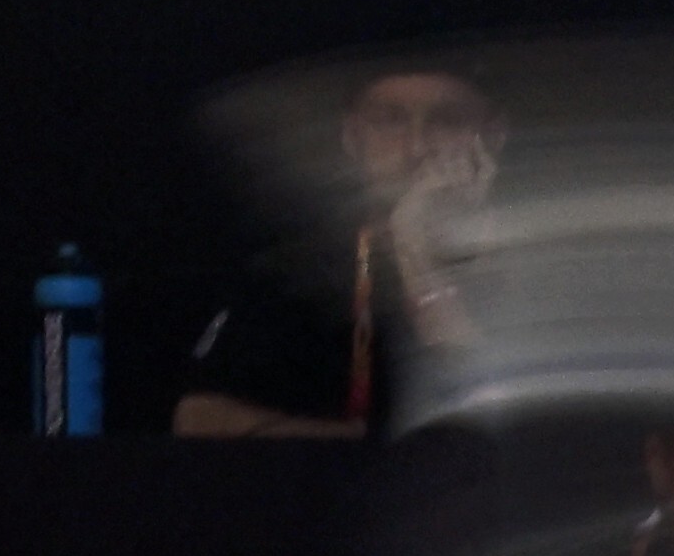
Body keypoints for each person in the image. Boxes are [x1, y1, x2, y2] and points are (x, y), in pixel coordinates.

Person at [173, 70, 503, 438]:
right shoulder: (303, 268)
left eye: (448, 121)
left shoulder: (537, 242)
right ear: (352, 137)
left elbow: (497, 414)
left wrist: (417, 254)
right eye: (390, 121)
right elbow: (199, 418)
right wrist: (363, 446)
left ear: (492, 135)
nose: (417, 148)